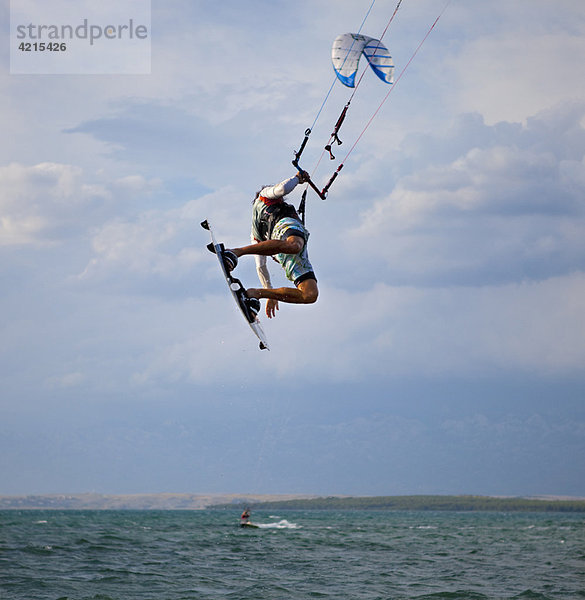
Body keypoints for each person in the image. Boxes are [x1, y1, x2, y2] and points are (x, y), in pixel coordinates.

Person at [226, 171, 319, 319]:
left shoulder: (256, 234)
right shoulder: (264, 195)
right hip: (289, 235)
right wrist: (297, 178)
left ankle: (254, 294)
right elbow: (282, 189)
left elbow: (261, 267)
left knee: (310, 294)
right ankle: (235, 252)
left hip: (290, 248)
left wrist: (268, 291)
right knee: (294, 245)